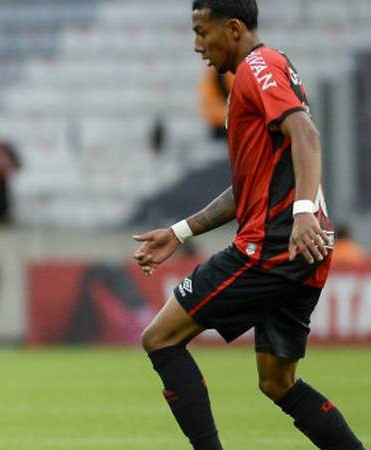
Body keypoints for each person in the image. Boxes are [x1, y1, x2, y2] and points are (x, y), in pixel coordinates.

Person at [132, 2, 366, 449]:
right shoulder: (258, 75)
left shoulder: (260, 68)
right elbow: (248, 189)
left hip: (274, 244)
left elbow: (308, 135)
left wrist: (300, 213)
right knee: (278, 381)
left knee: (160, 337)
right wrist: (181, 232)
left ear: (234, 28)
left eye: (203, 32)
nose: (198, 45)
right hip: (300, 247)